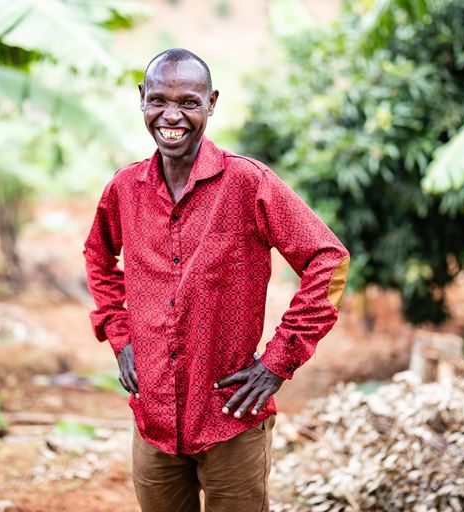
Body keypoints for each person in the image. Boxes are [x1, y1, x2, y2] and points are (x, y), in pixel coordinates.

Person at [83, 48, 350, 512]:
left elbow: (329, 259)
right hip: (155, 420)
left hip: (231, 415)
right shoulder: (125, 189)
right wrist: (120, 335)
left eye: (188, 101)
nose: (172, 115)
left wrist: (277, 361)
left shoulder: (248, 182)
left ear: (212, 103)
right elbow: (98, 254)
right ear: (141, 100)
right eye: (159, 100)